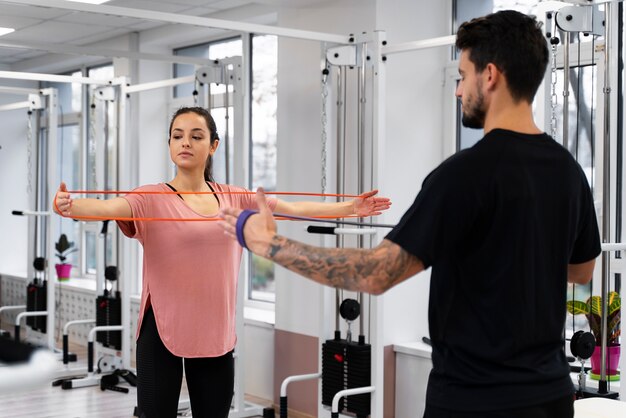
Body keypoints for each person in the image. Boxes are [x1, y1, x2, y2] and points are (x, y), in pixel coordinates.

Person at [219, 10, 601, 418]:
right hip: (551, 398)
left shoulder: (464, 174)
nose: (458, 90)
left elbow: (375, 273)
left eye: (462, 75)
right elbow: (581, 271)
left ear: (489, 76)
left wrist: (268, 244)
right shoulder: (568, 171)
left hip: (476, 402)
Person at [53, 106, 391, 418]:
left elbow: (294, 209)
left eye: (196, 136)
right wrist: (70, 207)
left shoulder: (235, 197)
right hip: (161, 327)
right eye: (178, 135)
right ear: (169, 144)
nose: (186, 142)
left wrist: (349, 208)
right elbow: (109, 208)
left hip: (214, 330)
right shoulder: (149, 197)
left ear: (213, 145)